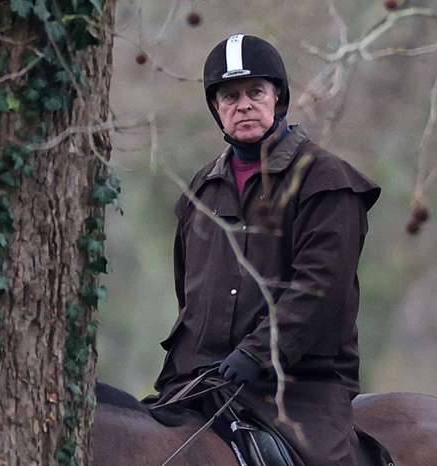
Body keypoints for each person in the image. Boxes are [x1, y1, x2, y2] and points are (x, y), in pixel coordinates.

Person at [150, 33, 381, 466]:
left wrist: (257, 353)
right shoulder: (199, 191)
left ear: (278, 98)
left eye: (256, 92)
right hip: (202, 381)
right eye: (230, 96)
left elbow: (320, 286)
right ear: (216, 109)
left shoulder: (326, 180)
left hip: (299, 386)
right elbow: (190, 295)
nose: (244, 105)